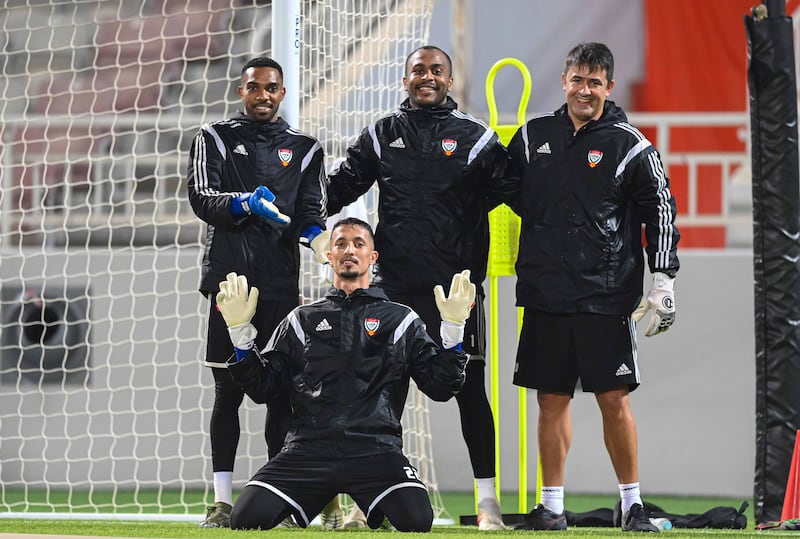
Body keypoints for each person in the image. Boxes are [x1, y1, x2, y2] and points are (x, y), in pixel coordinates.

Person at [325, 45, 512, 531]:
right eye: (417, 70)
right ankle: (373, 505)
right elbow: (339, 188)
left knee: (470, 391)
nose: (426, 77)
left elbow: (525, 194)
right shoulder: (383, 134)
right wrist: (293, 202)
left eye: (436, 71)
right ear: (404, 79)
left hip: (456, 294)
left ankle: (488, 503)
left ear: (450, 81)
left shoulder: (477, 140)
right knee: (378, 395)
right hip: (392, 293)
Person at [503, 42, 680, 532]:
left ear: (608, 87)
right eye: (577, 80)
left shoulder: (631, 145)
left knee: (613, 398)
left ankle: (632, 504)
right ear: (564, 81)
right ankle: (553, 508)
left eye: (594, 82)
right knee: (550, 400)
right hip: (544, 294)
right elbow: (496, 188)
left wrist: (663, 278)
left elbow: (659, 211)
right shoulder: (533, 136)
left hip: (605, 295)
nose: (585, 90)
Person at [215, 217, 472, 531]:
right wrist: (240, 333)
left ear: (372, 258)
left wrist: (453, 331)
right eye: (340, 244)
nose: (349, 249)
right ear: (329, 256)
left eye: (359, 243)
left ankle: (372, 511)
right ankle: (316, 504)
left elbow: (442, 387)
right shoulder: (301, 319)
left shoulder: (400, 320)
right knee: (245, 520)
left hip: (376, 449)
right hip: (308, 450)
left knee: (416, 521)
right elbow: (263, 388)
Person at [186, 56, 329, 528]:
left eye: (271, 88)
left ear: (282, 93)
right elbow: (202, 197)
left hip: (281, 288)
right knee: (228, 391)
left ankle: (280, 499)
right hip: (229, 284)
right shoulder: (214, 137)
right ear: (241, 90)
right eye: (254, 87)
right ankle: (222, 502)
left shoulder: (305, 149)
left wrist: (317, 238)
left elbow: (310, 212)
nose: (262, 95)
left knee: (283, 394)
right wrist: (244, 202)